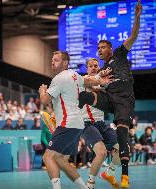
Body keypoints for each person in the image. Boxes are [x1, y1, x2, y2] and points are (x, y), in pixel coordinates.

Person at [78, 1, 142, 187]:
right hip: (109, 100)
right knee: (84, 96)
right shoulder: (102, 71)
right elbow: (95, 85)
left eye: (102, 47)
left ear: (110, 49)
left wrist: (137, 17)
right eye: (98, 49)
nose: (99, 50)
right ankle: (60, 123)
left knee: (122, 139)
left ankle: (120, 176)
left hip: (123, 101)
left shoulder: (120, 55)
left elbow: (133, 35)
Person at [39, 51, 112, 189]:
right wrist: (100, 80)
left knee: (48, 157)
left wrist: (42, 90)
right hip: (78, 124)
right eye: (52, 60)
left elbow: (45, 100)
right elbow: (88, 81)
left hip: (68, 123)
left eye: (56, 60)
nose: (52, 62)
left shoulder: (58, 79)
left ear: (65, 63)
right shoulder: (74, 74)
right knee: (61, 160)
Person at [81, 58, 119, 189]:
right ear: (87, 69)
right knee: (102, 153)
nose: (93, 68)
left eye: (95, 66)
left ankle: (109, 173)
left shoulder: (102, 82)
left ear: (98, 67)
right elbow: (91, 85)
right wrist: (102, 84)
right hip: (87, 124)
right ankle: (90, 184)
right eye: (90, 66)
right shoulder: (83, 80)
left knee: (123, 149)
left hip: (101, 123)